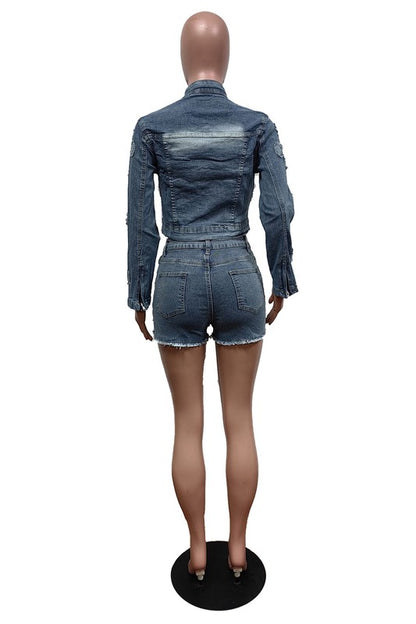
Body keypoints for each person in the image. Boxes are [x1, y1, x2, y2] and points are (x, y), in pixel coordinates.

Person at [126, 11, 298, 581]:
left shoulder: (151, 128)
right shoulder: (257, 125)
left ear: (184, 59)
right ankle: (239, 548)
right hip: (238, 273)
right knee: (240, 420)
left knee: (187, 423)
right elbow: (277, 211)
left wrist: (138, 292)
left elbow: (141, 221)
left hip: (174, 274)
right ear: (225, 59)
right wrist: (282, 277)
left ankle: (198, 550)